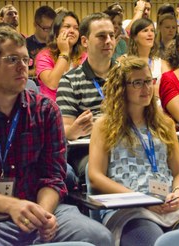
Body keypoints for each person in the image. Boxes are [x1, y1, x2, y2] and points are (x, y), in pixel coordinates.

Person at [0, 26, 113, 246]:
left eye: (26, 60)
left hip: (43, 208)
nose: (22, 67)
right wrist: (12, 206)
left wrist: (41, 214)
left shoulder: (46, 110)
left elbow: (54, 176)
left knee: (99, 237)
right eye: (12, 59)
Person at [88, 56, 179, 246]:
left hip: (167, 205)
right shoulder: (104, 125)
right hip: (129, 208)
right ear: (121, 88)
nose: (146, 88)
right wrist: (141, 199)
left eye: (149, 81)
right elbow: (95, 176)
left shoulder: (164, 123)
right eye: (137, 83)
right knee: (153, 240)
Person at [56, 12, 115, 176]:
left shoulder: (127, 76)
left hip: (129, 143)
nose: (109, 41)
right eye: (101, 36)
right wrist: (73, 131)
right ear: (85, 41)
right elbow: (66, 130)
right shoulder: (70, 80)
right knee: (103, 168)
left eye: (111, 35)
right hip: (89, 149)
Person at [35, 10, 85, 101]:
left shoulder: (85, 56)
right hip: (53, 109)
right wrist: (64, 53)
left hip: (80, 106)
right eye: (67, 27)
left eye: (76, 28)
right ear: (56, 31)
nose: (72, 31)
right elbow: (52, 84)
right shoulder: (44, 56)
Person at [127, 18, 165, 98]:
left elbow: (167, 90)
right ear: (135, 36)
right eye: (145, 30)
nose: (150, 34)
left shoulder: (160, 63)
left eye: (152, 30)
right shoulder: (125, 61)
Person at [26, 6, 56, 77]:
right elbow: (19, 72)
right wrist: (43, 70)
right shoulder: (24, 45)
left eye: (52, 28)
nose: (50, 32)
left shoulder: (58, 45)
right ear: (35, 25)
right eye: (46, 28)